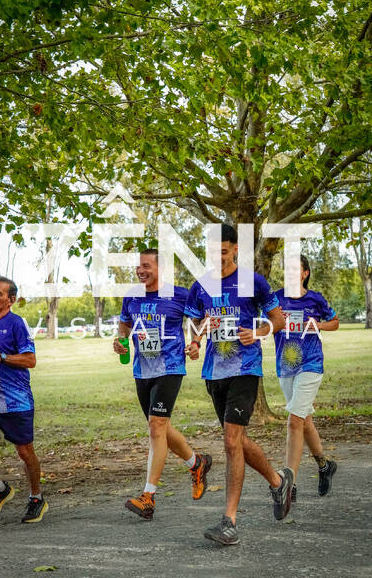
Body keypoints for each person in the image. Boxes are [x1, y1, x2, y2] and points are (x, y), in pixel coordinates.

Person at [185, 224, 293, 545]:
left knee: (231, 442)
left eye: (222, 251)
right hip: (214, 372)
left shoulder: (253, 282)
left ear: (235, 249)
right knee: (238, 441)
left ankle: (229, 521)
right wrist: (195, 342)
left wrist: (257, 332)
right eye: (212, 252)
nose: (217, 257)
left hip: (246, 368)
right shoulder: (200, 286)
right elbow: (195, 323)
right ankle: (278, 482)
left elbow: (278, 319)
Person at [113, 249, 212, 521]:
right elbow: (125, 324)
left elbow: (201, 318)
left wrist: (195, 342)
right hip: (142, 369)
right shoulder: (132, 296)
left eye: (146, 266)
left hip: (170, 367)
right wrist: (120, 340)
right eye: (138, 267)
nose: (140, 271)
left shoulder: (179, 295)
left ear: (161, 268)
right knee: (160, 427)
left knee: (157, 426)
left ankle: (148, 497)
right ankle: (196, 463)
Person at [0, 277, 48, 523]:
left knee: (25, 453)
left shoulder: (16, 324)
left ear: (11, 300)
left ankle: (36, 497)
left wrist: (2, 356)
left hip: (15, 402)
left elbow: (30, 360)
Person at [274, 255, 339, 501]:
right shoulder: (276, 299)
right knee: (304, 420)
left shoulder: (315, 299)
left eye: (295, 269)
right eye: (287, 269)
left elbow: (335, 322)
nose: (290, 273)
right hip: (286, 366)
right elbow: (264, 322)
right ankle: (324, 465)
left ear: (305, 273)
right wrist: (273, 319)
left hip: (311, 364)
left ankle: (289, 484)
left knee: (294, 421)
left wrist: (318, 325)